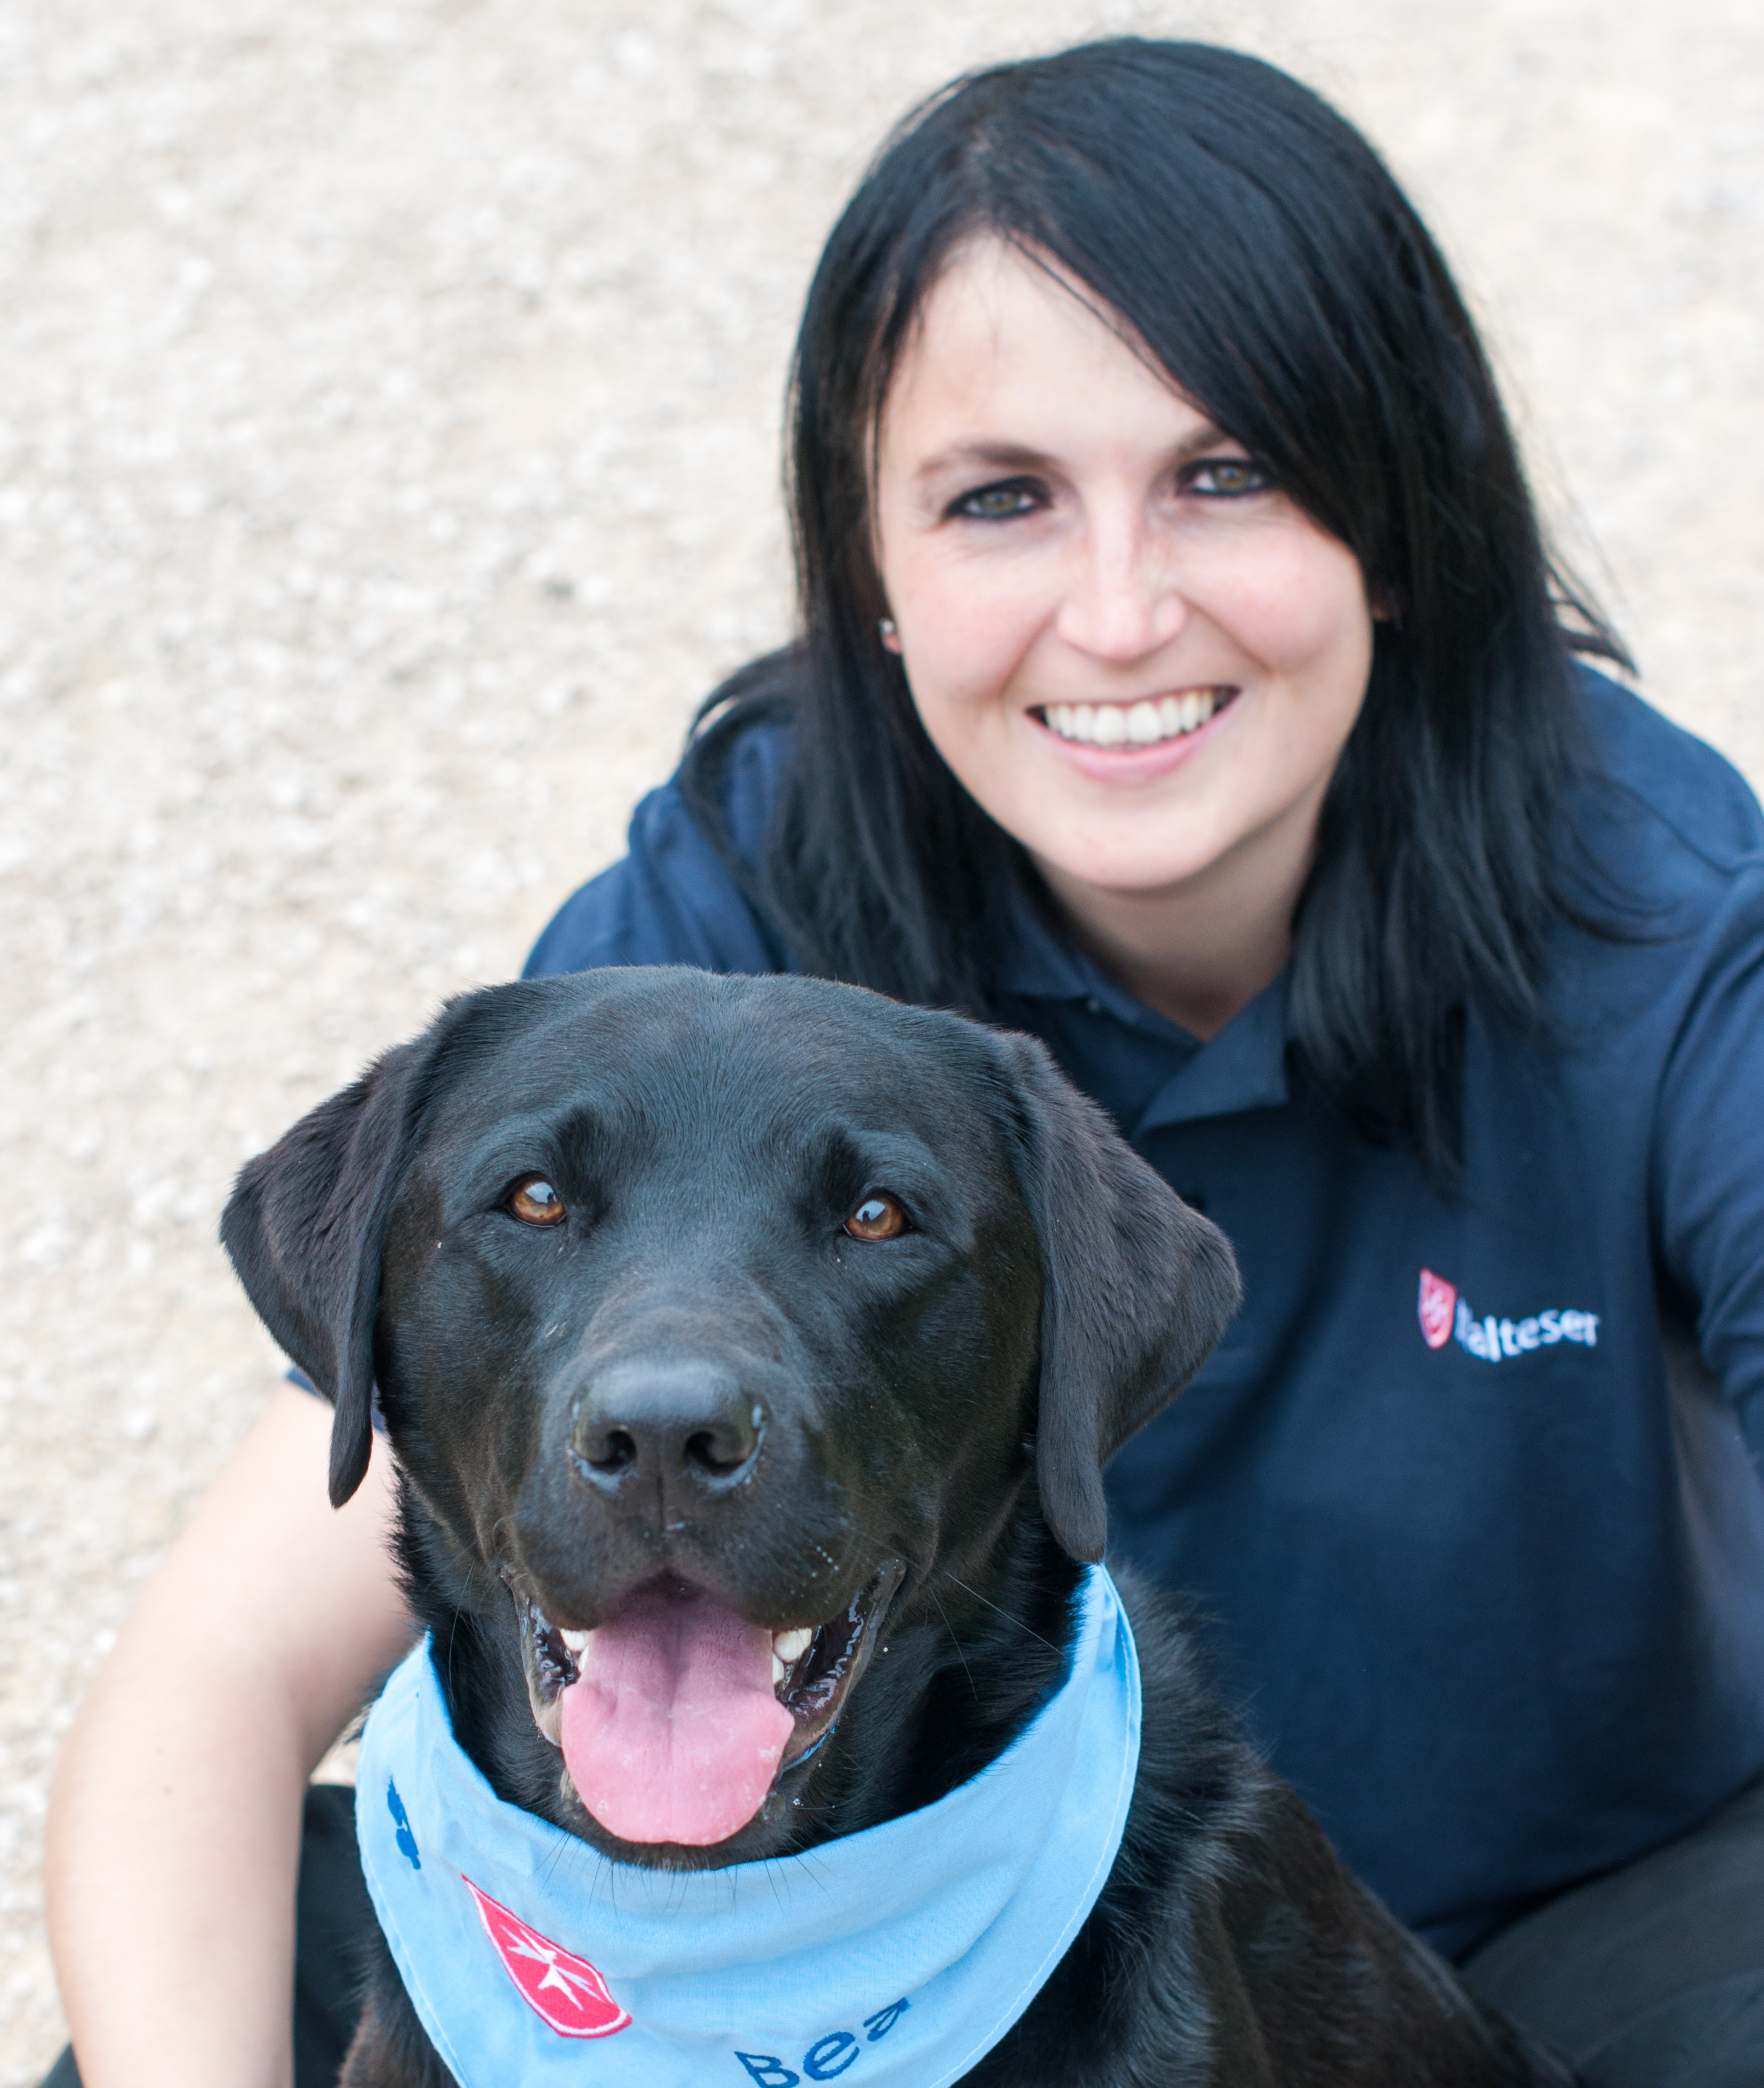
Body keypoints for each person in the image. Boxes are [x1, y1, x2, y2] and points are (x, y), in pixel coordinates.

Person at [43, 37, 1764, 2088]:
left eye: (1226, 474)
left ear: (1399, 520)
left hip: (1576, 1933)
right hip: (842, 1842)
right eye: (1000, 499)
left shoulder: (1669, 924)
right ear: (871, 562)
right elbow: (222, 1678)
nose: (1118, 612)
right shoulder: (720, 940)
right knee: (227, 1979)